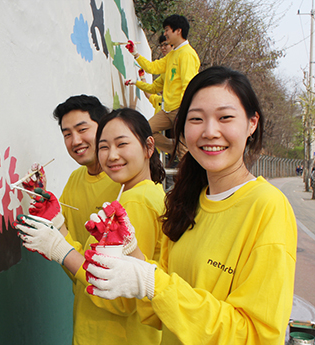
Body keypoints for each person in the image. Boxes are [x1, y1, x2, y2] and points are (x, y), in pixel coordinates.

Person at [83, 66, 297, 344]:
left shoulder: (268, 207)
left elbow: (257, 336)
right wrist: (132, 255)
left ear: (251, 123)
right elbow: (164, 309)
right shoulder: (185, 203)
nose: (209, 132)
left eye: (225, 117)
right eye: (196, 119)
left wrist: (150, 281)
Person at [16, 98, 164, 344]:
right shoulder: (123, 191)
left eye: (121, 144)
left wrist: (60, 247)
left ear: (148, 146)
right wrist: (58, 225)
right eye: (105, 147)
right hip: (94, 326)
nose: (112, 155)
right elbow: (82, 260)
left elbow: (122, 298)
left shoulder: (136, 201)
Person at [126, 14, 200, 157]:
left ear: (178, 31)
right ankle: (175, 148)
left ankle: (194, 176)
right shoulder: (172, 55)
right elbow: (152, 68)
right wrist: (135, 54)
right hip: (167, 110)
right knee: (146, 130)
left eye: (167, 30)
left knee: (184, 152)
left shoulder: (187, 54)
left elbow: (188, 85)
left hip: (180, 109)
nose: (165, 34)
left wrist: (186, 110)